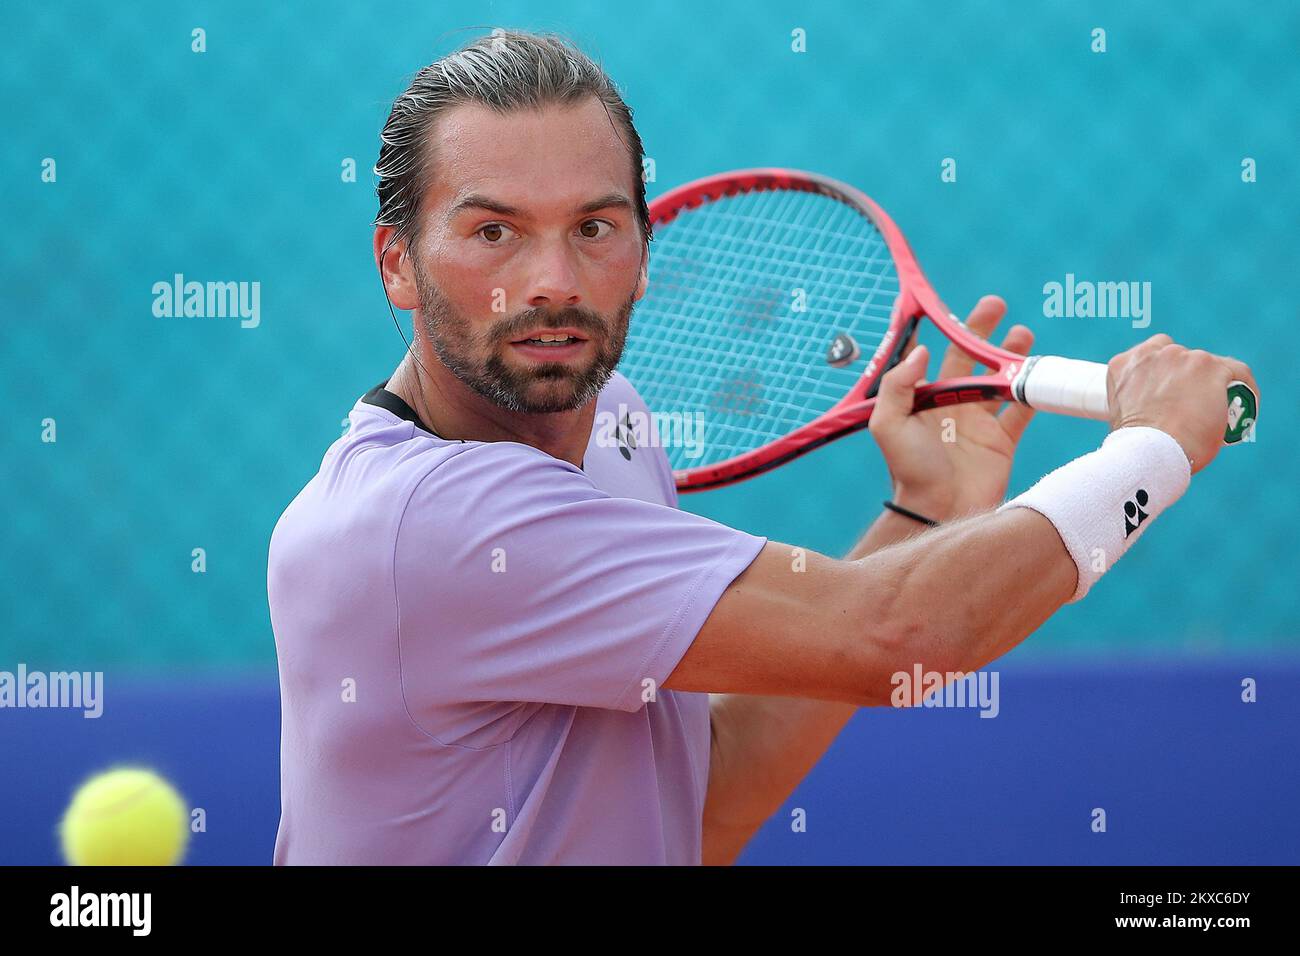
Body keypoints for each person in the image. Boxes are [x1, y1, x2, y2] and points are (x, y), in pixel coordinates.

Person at [267, 30, 1258, 865]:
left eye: (595, 226)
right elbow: (897, 638)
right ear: (396, 261)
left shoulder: (614, 419)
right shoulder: (425, 525)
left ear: (643, 250)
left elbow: (699, 806)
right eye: (493, 233)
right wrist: (1157, 446)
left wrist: (925, 511)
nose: (552, 279)